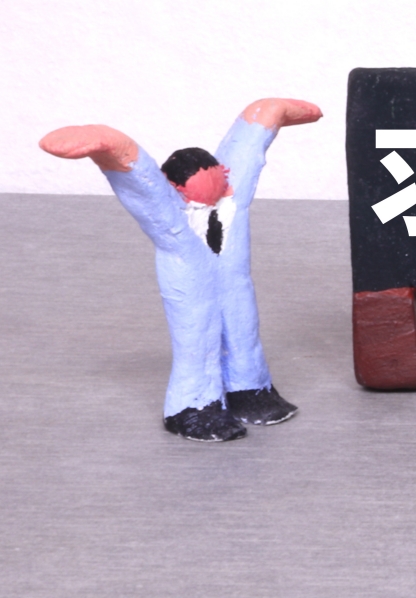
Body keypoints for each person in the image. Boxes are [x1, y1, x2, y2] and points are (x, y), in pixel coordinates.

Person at [39, 98, 323, 441]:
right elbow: (141, 183)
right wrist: (109, 144)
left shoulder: (231, 196)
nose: (219, 190)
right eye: (207, 186)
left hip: (233, 280)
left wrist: (267, 113)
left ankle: (249, 389)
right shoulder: (171, 213)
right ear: (176, 188)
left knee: (243, 328)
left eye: (221, 180)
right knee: (197, 338)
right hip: (190, 287)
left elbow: (246, 153)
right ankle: (193, 406)